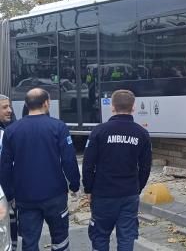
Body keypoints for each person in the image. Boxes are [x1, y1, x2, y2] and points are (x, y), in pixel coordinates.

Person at [0, 88, 80, 251]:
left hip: (25, 196)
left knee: (29, 242)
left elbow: (5, 166)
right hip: (55, 194)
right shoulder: (58, 127)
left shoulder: (11, 131)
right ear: (46, 103)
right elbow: (69, 160)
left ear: (26, 105)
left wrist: (9, 194)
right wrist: (74, 184)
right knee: (60, 239)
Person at [83, 89, 152, 251]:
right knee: (127, 236)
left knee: (99, 235)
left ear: (112, 107)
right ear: (133, 108)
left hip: (103, 193)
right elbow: (146, 166)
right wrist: (137, 187)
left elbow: (88, 165)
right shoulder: (142, 133)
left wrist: (88, 188)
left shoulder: (99, 131)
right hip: (129, 194)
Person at [0, 95, 17, 251]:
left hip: (9, 192)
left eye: (9, 106)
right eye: (4, 107)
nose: (10, 110)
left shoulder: (11, 129)